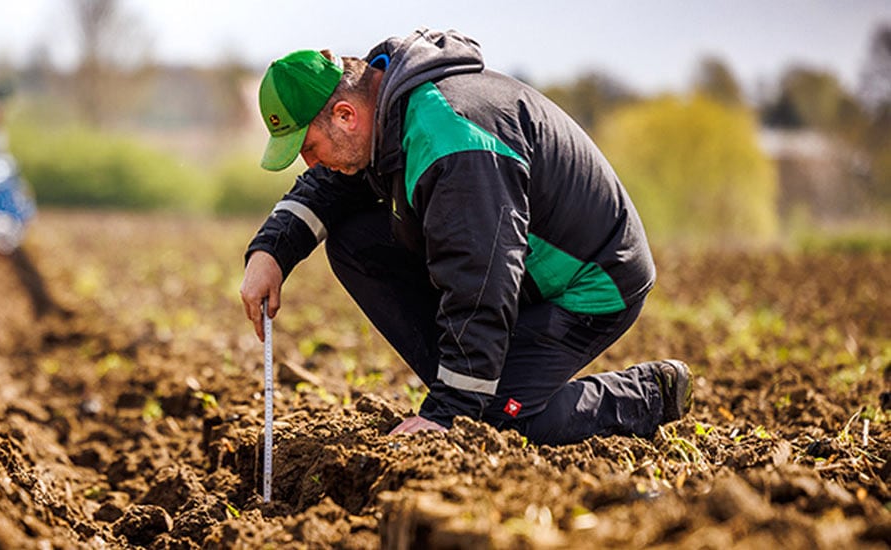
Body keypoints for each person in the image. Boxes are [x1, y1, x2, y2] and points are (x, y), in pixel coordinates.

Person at [238, 28, 692, 445]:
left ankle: (645, 395)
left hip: (590, 282)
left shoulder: (452, 141)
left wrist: (450, 414)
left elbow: (480, 284)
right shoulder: (389, 114)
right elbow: (332, 187)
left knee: (493, 426)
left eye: (309, 149)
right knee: (355, 242)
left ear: (345, 115)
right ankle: (473, 383)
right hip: (515, 269)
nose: (310, 165)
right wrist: (270, 253)